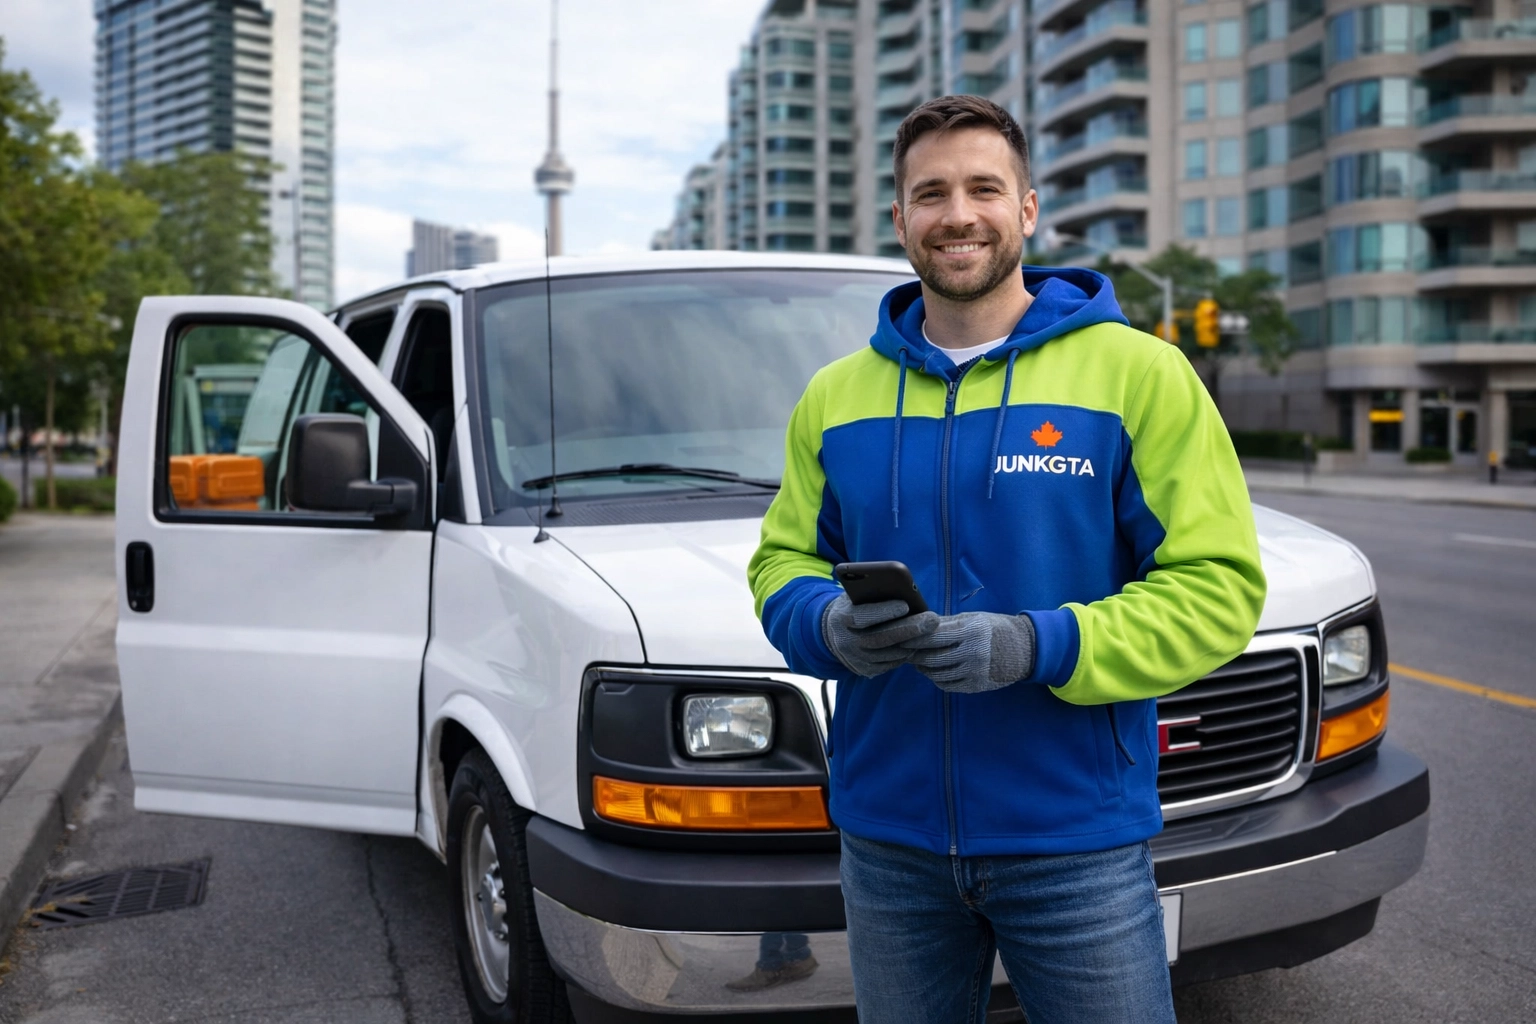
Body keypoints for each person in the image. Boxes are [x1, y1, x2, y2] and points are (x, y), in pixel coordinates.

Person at [747, 96, 1266, 1024]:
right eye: (931, 193)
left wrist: (1039, 645)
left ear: (1026, 209)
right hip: (889, 848)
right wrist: (825, 624)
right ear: (900, 218)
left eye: (984, 188)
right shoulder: (834, 396)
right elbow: (782, 562)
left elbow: (1218, 590)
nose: (958, 214)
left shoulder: (1139, 374)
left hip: (1076, 846)